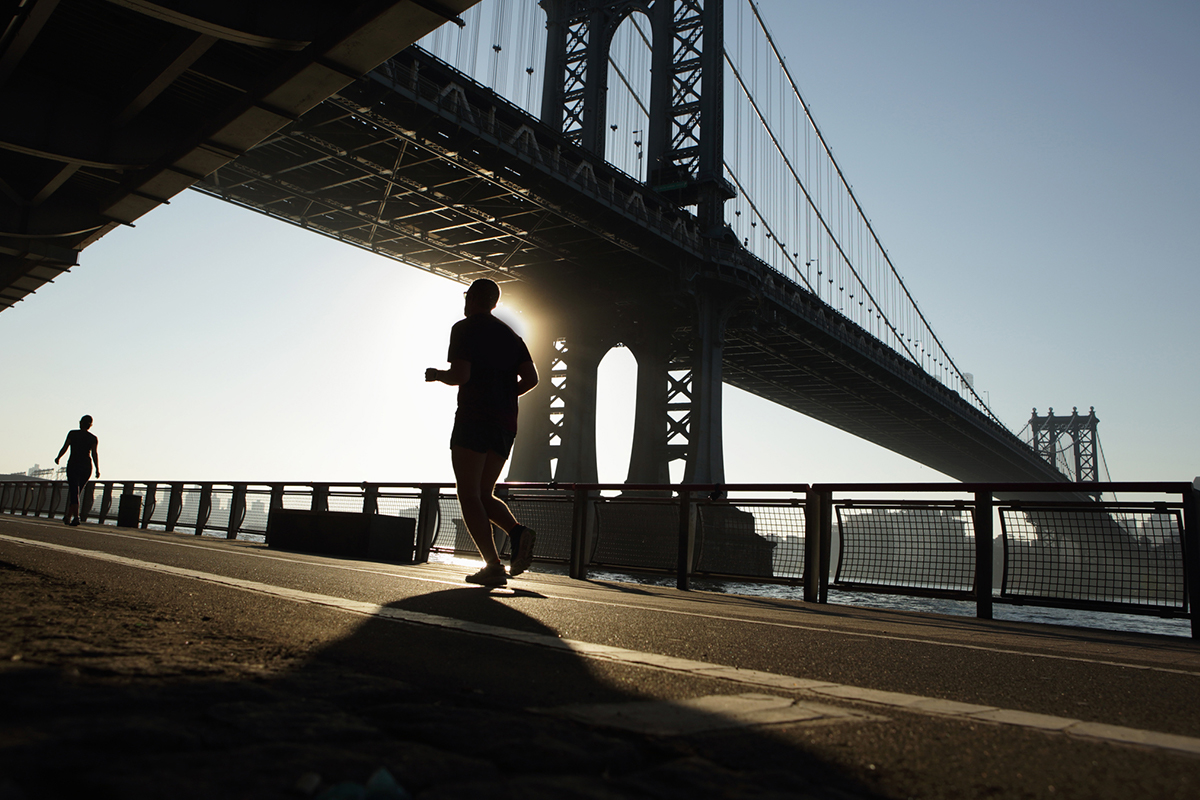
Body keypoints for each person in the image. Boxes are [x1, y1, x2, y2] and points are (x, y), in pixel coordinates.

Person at [426, 279, 538, 587]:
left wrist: (437, 376)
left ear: (472, 299)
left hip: (474, 418)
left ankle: (493, 565)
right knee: (483, 493)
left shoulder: (464, 328)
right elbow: (531, 378)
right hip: (505, 424)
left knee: (468, 493)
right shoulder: (512, 335)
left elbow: (461, 375)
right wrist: (504, 395)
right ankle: (517, 533)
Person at [55, 415, 99, 527]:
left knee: (74, 491)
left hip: (74, 465)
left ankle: (76, 517)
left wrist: (58, 457)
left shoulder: (72, 434)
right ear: (90, 425)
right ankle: (68, 516)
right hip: (86, 467)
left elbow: (65, 447)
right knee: (77, 492)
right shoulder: (93, 438)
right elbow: (94, 454)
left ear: (80, 423)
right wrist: (97, 469)